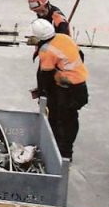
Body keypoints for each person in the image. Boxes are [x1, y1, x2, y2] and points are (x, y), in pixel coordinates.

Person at [30, 18, 89, 160]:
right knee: (71, 118)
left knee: (61, 120)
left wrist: (42, 94)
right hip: (80, 87)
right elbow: (81, 55)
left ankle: (63, 154)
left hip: (67, 90)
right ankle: (64, 151)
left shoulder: (46, 50)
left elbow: (46, 76)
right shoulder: (64, 38)